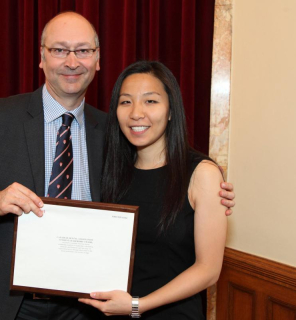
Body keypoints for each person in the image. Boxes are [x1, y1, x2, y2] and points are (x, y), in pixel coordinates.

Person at [0, 12, 235, 320]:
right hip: (9, 301)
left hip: (87, 306)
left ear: (98, 59)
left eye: (84, 50)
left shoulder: (113, 131)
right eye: (60, 50)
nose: (72, 62)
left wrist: (209, 193)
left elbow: (158, 182)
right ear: (41, 57)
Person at [78, 61, 227, 319]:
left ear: (170, 111)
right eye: (126, 102)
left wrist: (138, 305)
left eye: (151, 101)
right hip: (112, 311)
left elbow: (209, 270)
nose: (136, 113)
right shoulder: (110, 171)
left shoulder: (201, 174)